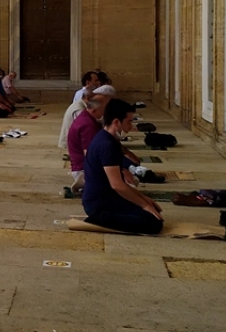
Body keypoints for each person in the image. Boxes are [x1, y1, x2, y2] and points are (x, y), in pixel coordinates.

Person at [82, 99, 164, 234]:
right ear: (116, 122)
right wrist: (143, 205)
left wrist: (144, 199)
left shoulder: (107, 138)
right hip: (98, 204)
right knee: (153, 223)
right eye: (129, 121)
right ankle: (99, 219)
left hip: (109, 197)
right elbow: (117, 185)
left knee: (154, 211)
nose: (131, 126)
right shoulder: (106, 145)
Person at [66, 94, 106, 194]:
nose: (104, 113)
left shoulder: (85, 116)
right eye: (102, 111)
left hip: (79, 165)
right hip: (82, 167)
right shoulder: (88, 125)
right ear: (94, 111)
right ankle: (84, 180)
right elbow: (89, 153)